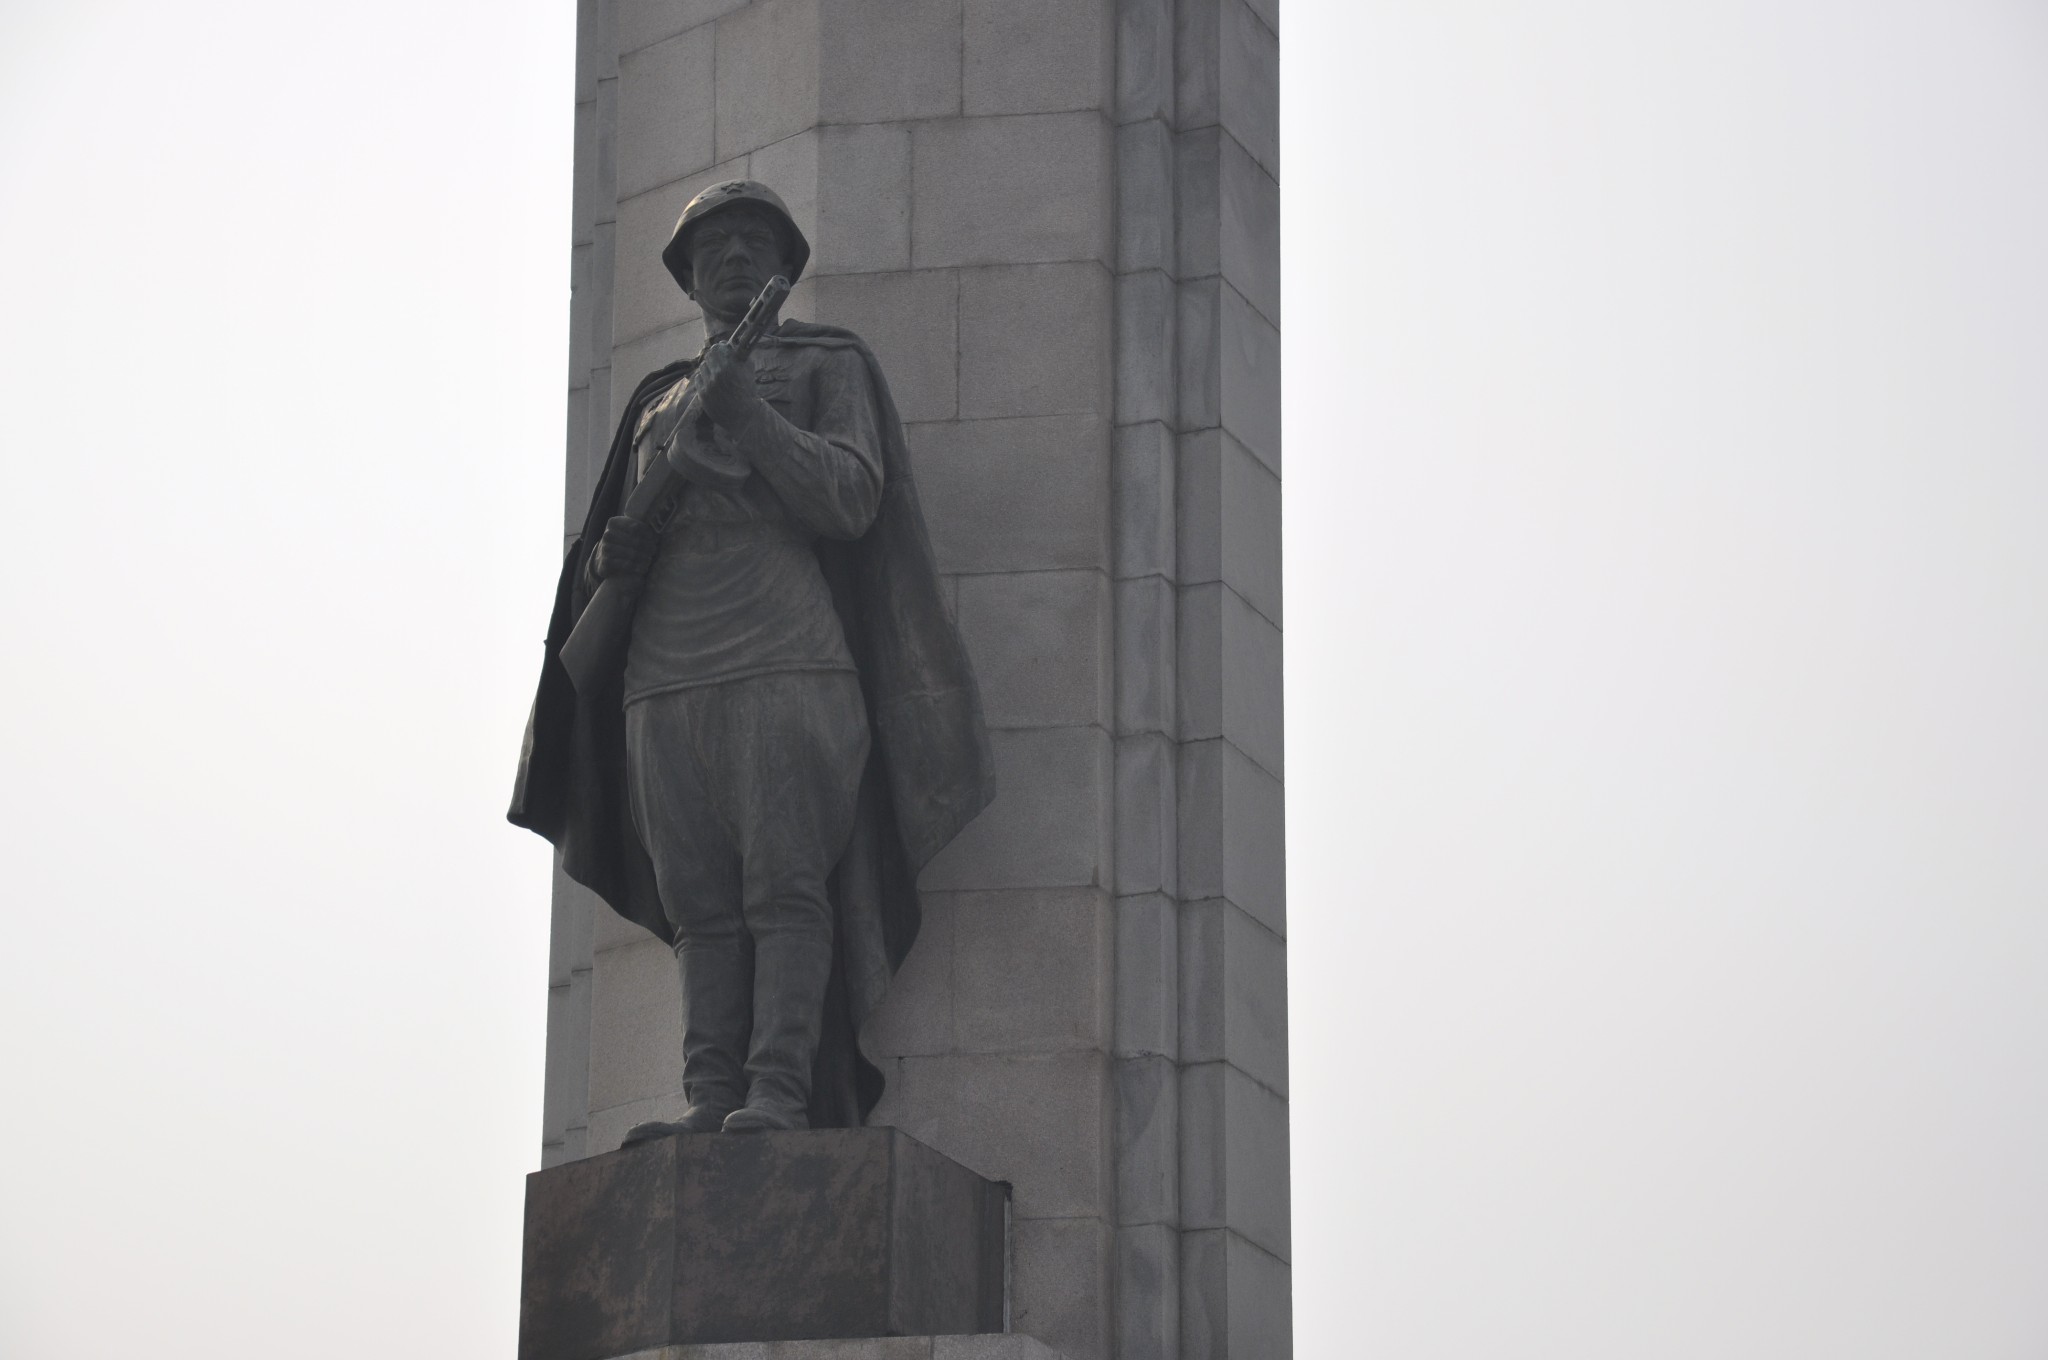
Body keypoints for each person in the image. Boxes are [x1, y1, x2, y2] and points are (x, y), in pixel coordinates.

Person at [510, 180, 993, 1136]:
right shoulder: (654, 401)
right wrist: (610, 558)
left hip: (785, 650)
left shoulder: (827, 363)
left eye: (752, 242)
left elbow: (851, 497)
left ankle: (778, 1090)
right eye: (713, 247)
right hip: (664, 668)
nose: (733, 258)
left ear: (784, 265)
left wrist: (751, 414)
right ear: (686, 279)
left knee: (785, 884)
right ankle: (710, 1094)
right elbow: (612, 540)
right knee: (699, 904)